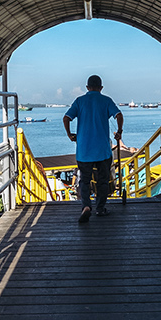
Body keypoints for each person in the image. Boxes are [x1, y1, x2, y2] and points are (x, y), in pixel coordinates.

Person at [63, 75, 123, 224]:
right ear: (101, 88)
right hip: (102, 150)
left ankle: (86, 206)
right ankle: (100, 208)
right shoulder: (106, 100)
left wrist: (70, 134)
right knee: (103, 180)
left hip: (84, 150)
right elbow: (119, 115)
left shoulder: (79, 101)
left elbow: (66, 118)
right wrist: (120, 131)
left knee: (84, 180)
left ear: (87, 87)